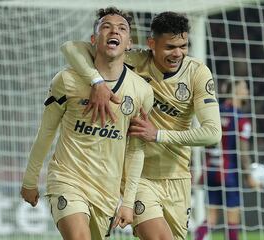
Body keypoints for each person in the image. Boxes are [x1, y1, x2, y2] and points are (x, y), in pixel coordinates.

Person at [60, 11, 222, 239]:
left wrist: (158, 135)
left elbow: (213, 134)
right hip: (138, 176)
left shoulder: (197, 72)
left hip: (178, 176)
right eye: (170, 47)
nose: (178, 54)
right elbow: (70, 48)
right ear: (151, 44)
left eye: (183, 46)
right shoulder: (133, 61)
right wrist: (95, 81)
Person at [21, 7, 154, 240]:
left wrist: (128, 201)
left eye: (122, 28)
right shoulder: (67, 80)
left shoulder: (141, 91)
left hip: (106, 191)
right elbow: (46, 132)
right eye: (106, 26)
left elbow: (135, 150)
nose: (114, 31)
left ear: (129, 43)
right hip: (67, 179)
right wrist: (30, 180)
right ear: (94, 40)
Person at [195, 79, 259, 240]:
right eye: (244, 88)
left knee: (210, 217)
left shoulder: (216, 113)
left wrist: (203, 170)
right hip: (229, 173)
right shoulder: (241, 120)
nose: (247, 92)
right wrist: (249, 175)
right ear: (235, 91)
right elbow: (242, 152)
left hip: (211, 171)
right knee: (233, 218)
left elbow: (208, 144)